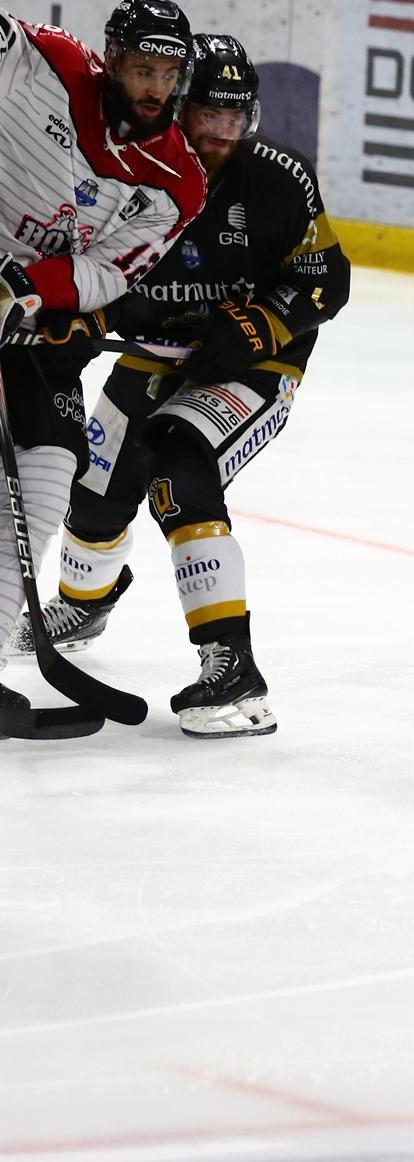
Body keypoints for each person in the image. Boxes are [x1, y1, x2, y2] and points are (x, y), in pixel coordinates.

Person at [5, 32, 351, 738]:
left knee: (178, 464)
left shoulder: (280, 180)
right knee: (95, 496)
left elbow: (327, 279)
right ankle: (86, 600)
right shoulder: (141, 174)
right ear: (179, 106)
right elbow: (107, 274)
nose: (222, 129)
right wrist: (68, 320)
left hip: (253, 367)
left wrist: (263, 324)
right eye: (208, 112)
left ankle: (234, 667)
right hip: (157, 354)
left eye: (237, 115)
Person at [0, 0, 206, 722]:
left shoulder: (178, 179)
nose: (155, 87)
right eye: (142, 68)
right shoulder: (42, 62)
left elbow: (111, 271)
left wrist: (26, 290)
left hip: (38, 327)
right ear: (112, 59)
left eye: (168, 73)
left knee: (48, 481)